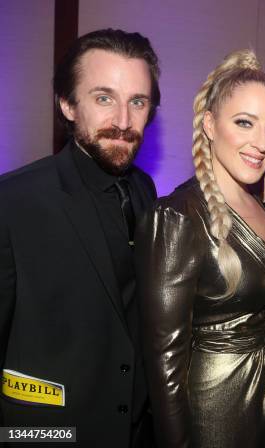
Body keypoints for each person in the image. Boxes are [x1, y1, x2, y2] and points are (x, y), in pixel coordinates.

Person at [0, 29, 159, 447]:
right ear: (68, 105)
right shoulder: (14, 202)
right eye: (104, 98)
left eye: (137, 102)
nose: (123, 122)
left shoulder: (146, 192)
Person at [135, 49, 265, 448]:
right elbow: (164, 365)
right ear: (209, 124)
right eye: (245, 123)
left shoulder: (263, 207)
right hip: (218, 412)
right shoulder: (177, 217)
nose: (262, 143)